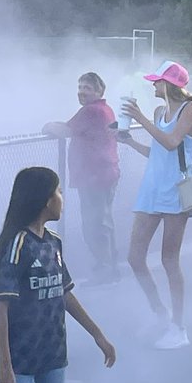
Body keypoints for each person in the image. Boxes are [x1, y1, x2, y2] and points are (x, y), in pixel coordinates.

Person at [0, 167, 116, 383]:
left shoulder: (54, 242)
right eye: (59, 192)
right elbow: (1, 307)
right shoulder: (18, 244)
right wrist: (5, 366)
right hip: (20, 358)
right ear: (45, 200)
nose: (63, 198)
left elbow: (65, 293)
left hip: (53, 353)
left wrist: (98, 335)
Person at [118, 60, 192, 349]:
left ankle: (179, 328)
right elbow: (156, 152)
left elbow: (171, 142)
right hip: (152, 190)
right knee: (134, 256)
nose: (153, 85)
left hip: (176, 191)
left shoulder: (190, 109)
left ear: (168, 84)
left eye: (157, 81)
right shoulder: (158, 111)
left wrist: (139, 118)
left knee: (169, 260)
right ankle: (159, 312)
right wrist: (128, 141)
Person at [41, 72, 120, 284]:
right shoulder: (104, 109)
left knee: (95, 223)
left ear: (99, 92)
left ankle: (106, 270)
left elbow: (66, 130)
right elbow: (73, 127)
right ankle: (109, 266)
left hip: (95, 175)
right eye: (80, 87)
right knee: (103, 220)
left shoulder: (92, 111)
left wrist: (48, 126)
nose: (82, 92)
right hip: (104, 173)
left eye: (87, 88)